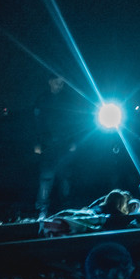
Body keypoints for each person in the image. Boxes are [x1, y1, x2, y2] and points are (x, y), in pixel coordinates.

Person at [33, 75, 84, 219]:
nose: (60, 86)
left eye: (62, 83)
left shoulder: (66, 100)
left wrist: (73, 141)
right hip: (48, 144)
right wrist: (37, 142)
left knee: (65, 176)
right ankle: (42, 209)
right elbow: (37, 123)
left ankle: (66, 208)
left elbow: (73, 121)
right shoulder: (42, 99)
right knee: (46, 177)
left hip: (63, 144)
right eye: (57, 83)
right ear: (50, 82)